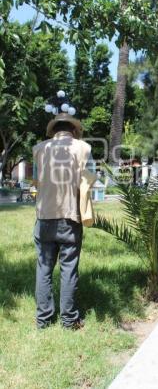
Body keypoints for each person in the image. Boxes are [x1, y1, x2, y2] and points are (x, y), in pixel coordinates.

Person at [32, 112, 92, 329]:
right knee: (68, 268)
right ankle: (69, 320)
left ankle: (43, 320)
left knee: (44, 268)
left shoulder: (39, 149)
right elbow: (89, 180)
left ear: (53, 131)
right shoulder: (83, 148)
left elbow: (37, 181)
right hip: (70, 217)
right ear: (74, 130)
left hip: (44, 217)